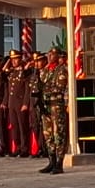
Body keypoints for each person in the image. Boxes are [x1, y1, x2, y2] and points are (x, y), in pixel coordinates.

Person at [37, 45, 69, 175]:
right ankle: (51, 160)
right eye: (49, 54)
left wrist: (46, 90)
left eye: (53, 54)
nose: (50, 56)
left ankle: (59, 163)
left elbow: (60, 87)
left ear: (58, 56)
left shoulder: (61, 70)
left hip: (56, 105)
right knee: (47, 134)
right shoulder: (44, 70)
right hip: (46, 105)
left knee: (58, 134)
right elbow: (40, 85)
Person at [4, 50, 32, 158]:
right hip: (12, 103)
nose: (14, 61)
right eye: (12, 59)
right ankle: (18, 147)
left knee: (22, 127)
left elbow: (27, 89)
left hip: (20, 103)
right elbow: (3, 73)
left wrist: (25, 103)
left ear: (20, 59)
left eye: (16, 59)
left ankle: (25, 148)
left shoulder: (25, 72)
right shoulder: (12, 72)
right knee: (15, 127)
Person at [28, 50, 48, 158]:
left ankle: (43, 148)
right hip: (33, 103)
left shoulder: (46, 72)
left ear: (44, 61)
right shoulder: (34, 74)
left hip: (42, 102)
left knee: (43, 126)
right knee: (35, 126)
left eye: (39, 61)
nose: (37, 63)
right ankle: (39, 147)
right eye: (36, 61)